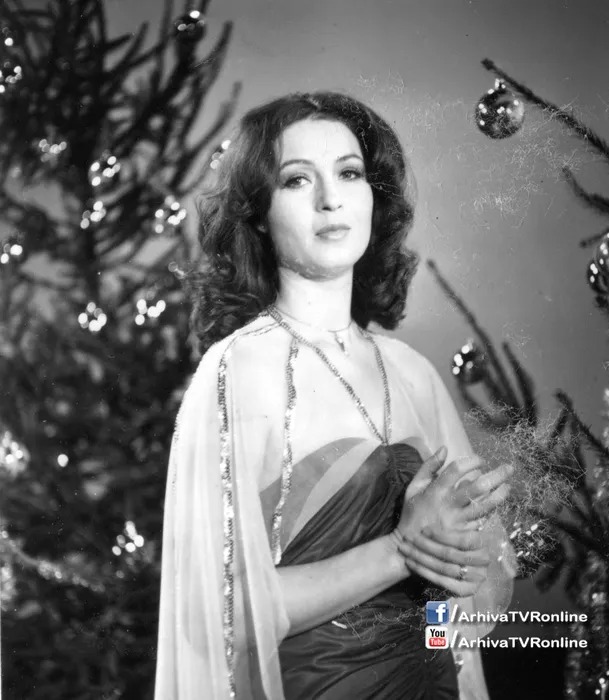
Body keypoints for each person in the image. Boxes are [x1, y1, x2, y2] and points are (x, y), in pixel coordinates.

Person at [154, 91, 517, 700]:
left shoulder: (414, 374)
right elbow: (215, 615)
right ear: (257, 213)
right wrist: (403, 550)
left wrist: (469, 553)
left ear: (374, 195)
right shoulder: (236, 372)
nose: (331, 199)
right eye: (297, 180)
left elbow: (482, 603)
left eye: (349, 173)